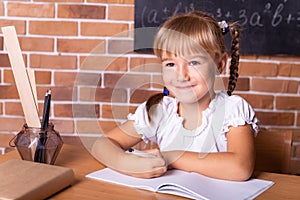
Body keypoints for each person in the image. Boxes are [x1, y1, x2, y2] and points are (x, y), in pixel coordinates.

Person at [91, 11, 258, 181]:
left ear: (219, 65)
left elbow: (240, 167)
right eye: (170, 64)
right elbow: (101, 145)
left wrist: (171, 157)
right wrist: (127, 163)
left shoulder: (232, 109)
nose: (181, 75)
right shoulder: (160, 110)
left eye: (194, 62)